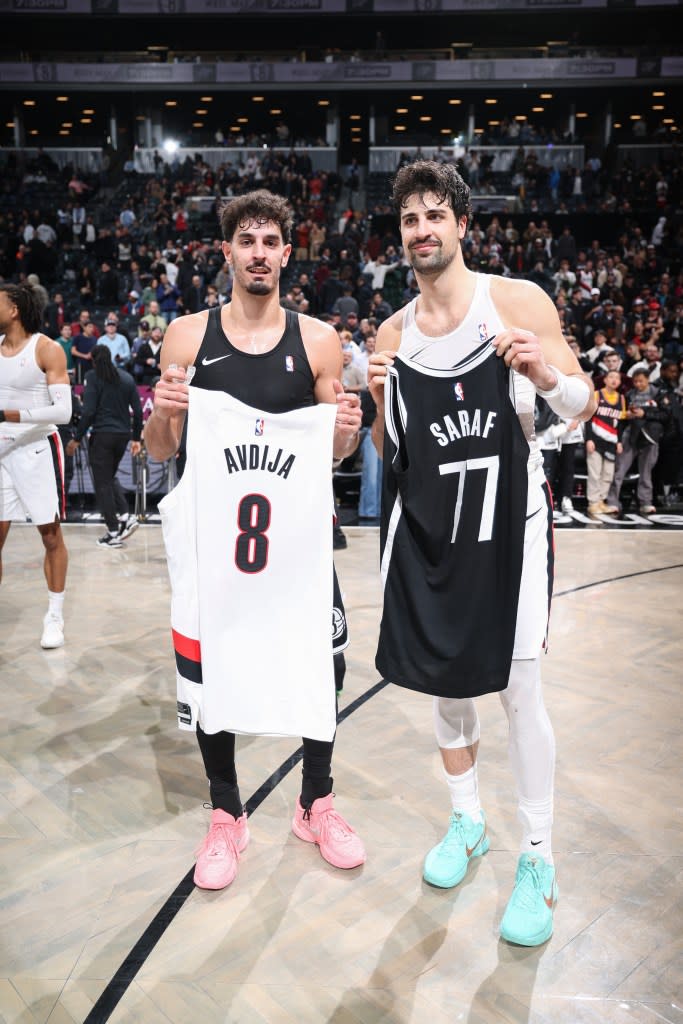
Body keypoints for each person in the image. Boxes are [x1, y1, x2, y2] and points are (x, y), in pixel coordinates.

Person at [367, 161, 596, 947]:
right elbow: (390, 451)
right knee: (446, 682)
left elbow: (581, 403)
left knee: (518, 688)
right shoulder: (392, 335)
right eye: (410, 219)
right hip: (435, 529)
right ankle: (466, 821)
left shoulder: (516, 301)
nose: (422, 230)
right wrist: (376, 400)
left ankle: (538, 856)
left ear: (462, 225)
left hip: (512, 525)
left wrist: (543, 372)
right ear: (399, 234)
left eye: (435, 216)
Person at [144, 190, 365, 892]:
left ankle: (315, 802)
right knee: (211, 673)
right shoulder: (186, 337)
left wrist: (346, 431)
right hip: (218, 549)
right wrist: (163, 413)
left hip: (297, 546)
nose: (259, 253)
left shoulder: (319, 340)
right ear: (227, 252)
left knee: (325, 664)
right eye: (247, 241)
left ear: (287, 253)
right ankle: (225, 812)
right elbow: (161, 449)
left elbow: (334, 452)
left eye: (271, 241)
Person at [0, 283, 72, 648]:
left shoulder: (46, 349)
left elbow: (64, 412)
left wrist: (9, 415)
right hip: (1, 453)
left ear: (14, 309)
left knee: (50, 536)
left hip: (37, 450)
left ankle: (54, 616)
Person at [65, 345, 142, 548]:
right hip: (123, 436)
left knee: (102, 484)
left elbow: (89, 411)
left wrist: (77, 438)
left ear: (93, 360)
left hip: (102, 436)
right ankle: (126, 517)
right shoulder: (127, 378)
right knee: (108, 478)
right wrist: (136, 439)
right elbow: (138, 411)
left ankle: (113, 532)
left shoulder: (92, 376)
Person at [605, 368, 668, 516]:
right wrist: (627, 416)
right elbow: (621, 418)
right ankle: (612, 501)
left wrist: (645, 413)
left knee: (646, 472)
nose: (638, 384)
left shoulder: (658, 393)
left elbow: (665, 415)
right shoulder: (629, 395)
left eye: (641, 381)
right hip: (630, 435)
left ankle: (645, 502)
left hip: (650, 437)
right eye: (635, 381)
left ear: (648, 379)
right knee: (619, 469)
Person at [584, 369, 627, 517]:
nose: (614, 380)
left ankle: (601, 501)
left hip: (611, 442)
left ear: (620, 382)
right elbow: (588, 418)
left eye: (617, 378)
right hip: (596, 440)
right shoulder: (597, 395)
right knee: (595, 473)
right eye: (611, 377)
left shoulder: (621, 399)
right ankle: (593, 502)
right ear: (605, 380)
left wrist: (619, 442)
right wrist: (589, 439)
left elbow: (620, 424)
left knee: (608, 474)